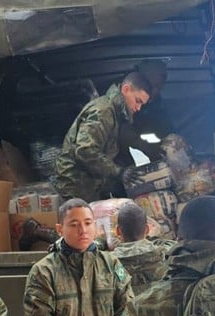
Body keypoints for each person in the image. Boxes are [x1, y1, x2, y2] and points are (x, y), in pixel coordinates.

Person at [53, 72, 152, 202]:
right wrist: (118, 172)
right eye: (138, 101)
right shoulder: (104, 111)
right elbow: (85, 150)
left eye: (142, 104)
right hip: (75, 186)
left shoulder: (114, 114)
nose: (139, 108)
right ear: (126, 89)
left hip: (85, 185)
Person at [115, 58, 173, 166]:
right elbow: (125, 136)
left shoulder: (155, 102)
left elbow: (165, 129)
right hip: (120, 163)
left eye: (159, 86)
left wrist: (170, 146)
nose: (156, 90)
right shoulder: (122, 98)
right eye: (154, 85)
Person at [109, 201, 170, 294]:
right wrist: (153, 237)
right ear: (147, 229)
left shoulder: (108, 263)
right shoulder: (164, 255)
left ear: (118, 231)